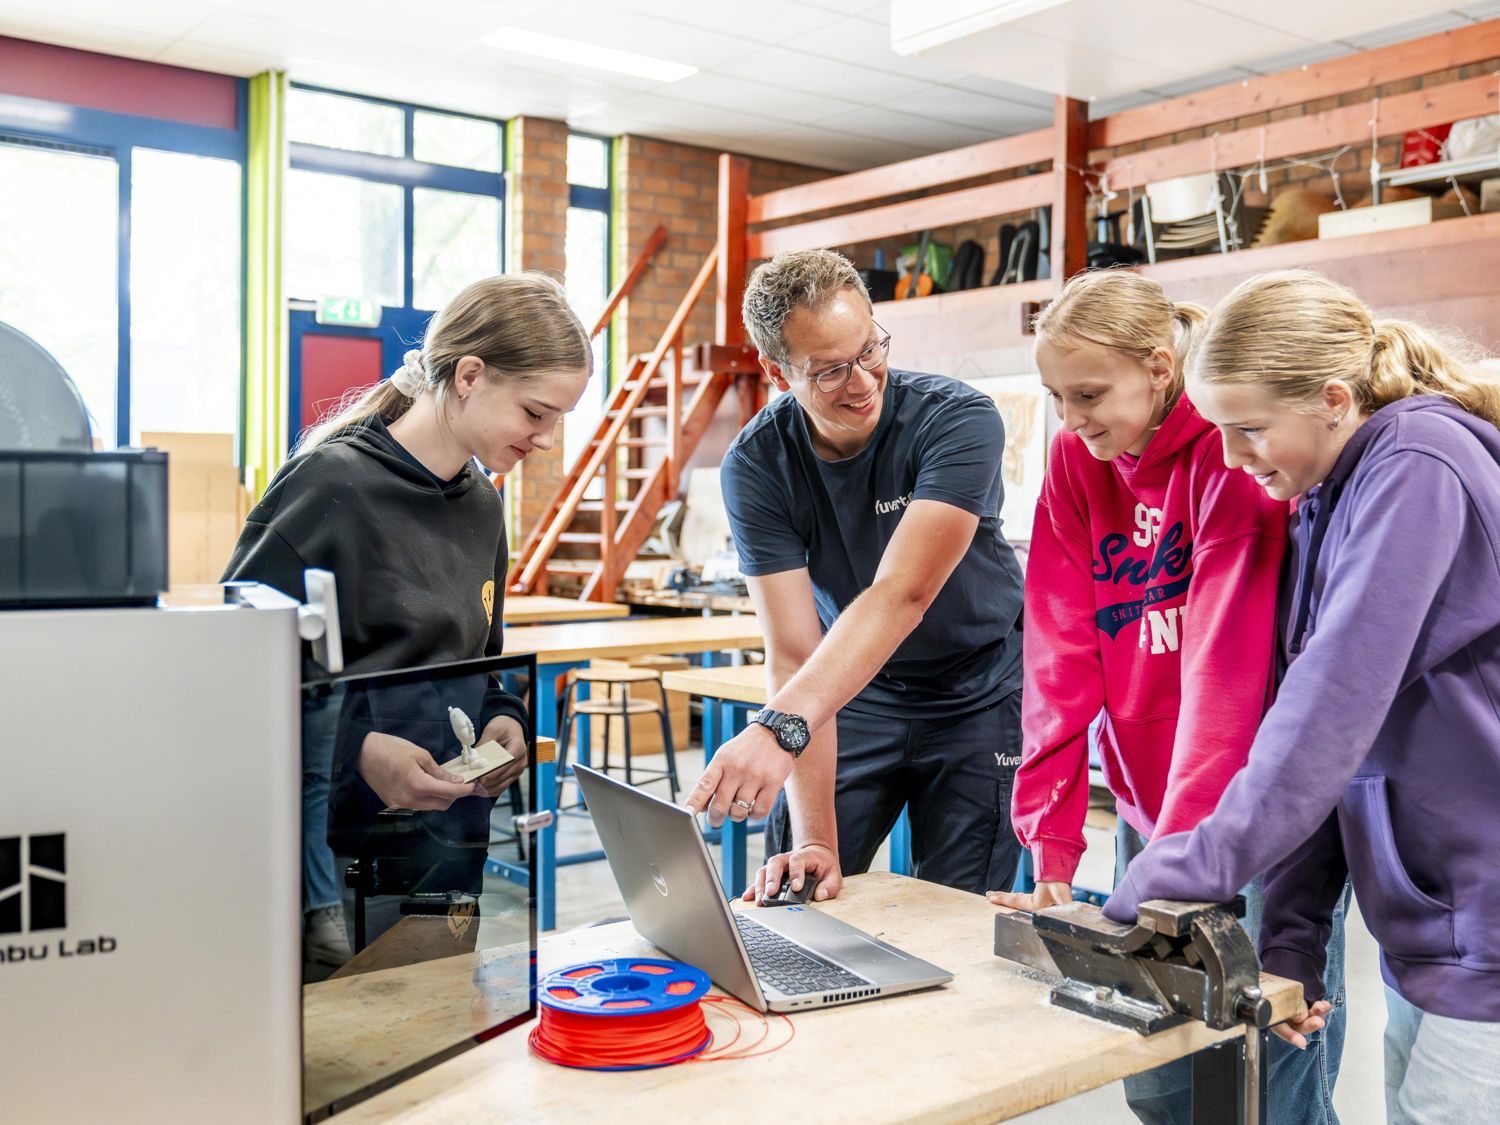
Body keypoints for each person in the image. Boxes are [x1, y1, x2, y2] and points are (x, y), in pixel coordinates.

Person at [1105, 270, 1500, 1125]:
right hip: (1435, 926)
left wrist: (1195, 859)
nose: (1236, 458)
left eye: (1249, 429)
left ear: (1329, 398)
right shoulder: (1326, 495)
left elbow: (1332, 705)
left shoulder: (1421, 464)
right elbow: (1318, 735)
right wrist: (1292, 938)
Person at [988, 269, 1346, 1125]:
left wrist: (1175, 864)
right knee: (1151, 1065)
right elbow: (1057, 655)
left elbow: (1223, 682)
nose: (1070, 418)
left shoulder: (1227, 462)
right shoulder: (1078, 460)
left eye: (1087, 392)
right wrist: (1054, 843)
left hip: (1255, 810)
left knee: (1269, 1071)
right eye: (1055, 395)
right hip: (1152, 811)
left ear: (1157, 366)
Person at [223, 273, 592, 969]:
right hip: (336, 868)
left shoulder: (482, 503)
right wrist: (358, 750)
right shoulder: (330, 486)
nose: (547, 440)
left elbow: (484, 652)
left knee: (435, 1034)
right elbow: (232, 677)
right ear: (471, 375)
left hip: (447, 847)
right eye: (536, 413)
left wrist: (505, 714)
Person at [685, 248, 1026, 902]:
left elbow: (905, 592)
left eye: (870, 350)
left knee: (955, 917)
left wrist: (780, 727)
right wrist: (813, 835)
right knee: (802, 892)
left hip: (976, 687)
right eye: (831, 369)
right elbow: (793, 650)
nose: (864, 381)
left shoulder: (955, 419)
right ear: (778, 373)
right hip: (849, 687)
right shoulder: (758, 464)